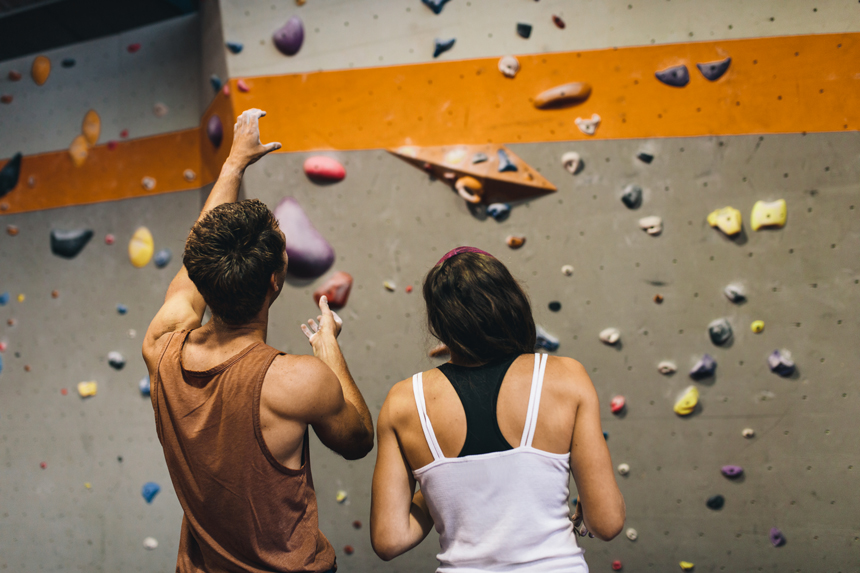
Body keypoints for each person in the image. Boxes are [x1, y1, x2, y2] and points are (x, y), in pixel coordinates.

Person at [142, 108, 374, 573]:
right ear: (275, 281)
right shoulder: (297, 380)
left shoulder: (161, 346)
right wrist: (330, 352)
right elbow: (358, 439)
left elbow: (197, 261)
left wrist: (233, 164)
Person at [370, 247, 625, 571]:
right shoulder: (565, 378)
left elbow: (390, 539)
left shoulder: (404, 401)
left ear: (439, 323)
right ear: (511, 304)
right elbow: (607, 522)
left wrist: (437, 485)